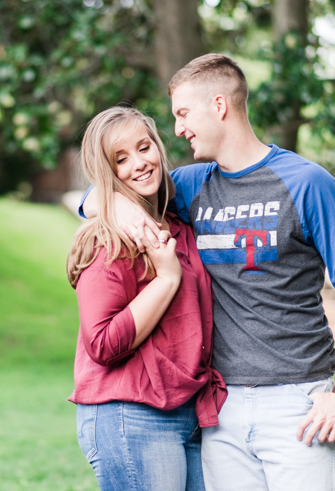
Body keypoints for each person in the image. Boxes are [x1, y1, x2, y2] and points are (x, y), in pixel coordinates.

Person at [80, 54, 335, 490]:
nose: (179, 128)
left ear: (219, 106)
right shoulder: (189, 185)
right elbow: (101, 189)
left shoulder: (307, 183)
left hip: (297, 401)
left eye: (184, 114)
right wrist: (117, 206)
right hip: (219, 406)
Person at [67, 106, 227, 491]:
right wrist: (166, 278)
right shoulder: (108, 240)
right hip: (131, 413)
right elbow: (102, 343)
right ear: (106, 171)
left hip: (186, 411)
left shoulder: (178, 225)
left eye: (144, 147)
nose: (139, 164)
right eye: (121, 159)